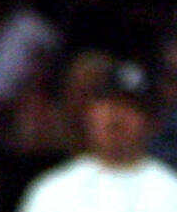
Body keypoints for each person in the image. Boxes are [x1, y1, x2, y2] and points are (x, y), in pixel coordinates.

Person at [17, 65, 177, 212]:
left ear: (152, 121)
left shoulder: (170, 191)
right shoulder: (54, 189)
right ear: (89, 114)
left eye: (130, 108)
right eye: (107, 106)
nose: (115, 118)